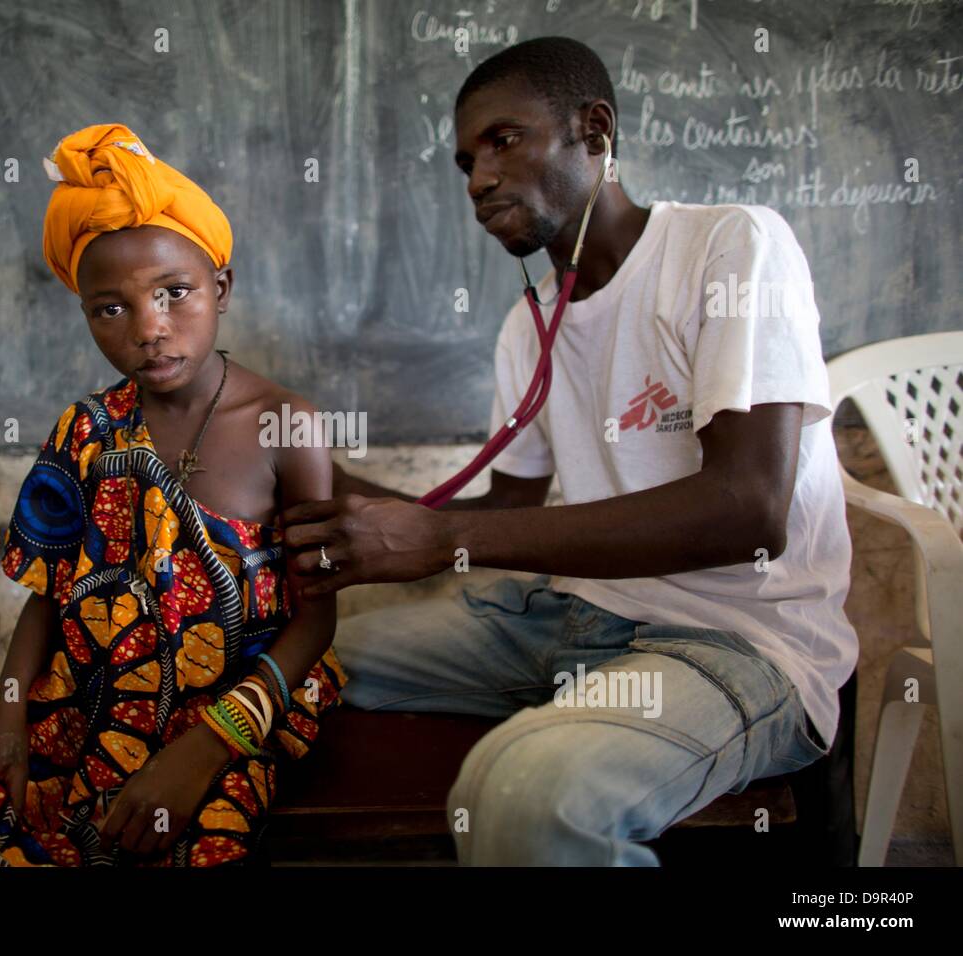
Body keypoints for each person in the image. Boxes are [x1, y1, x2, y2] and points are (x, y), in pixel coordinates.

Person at [281, 37, 858, 865]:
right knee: (282, 663)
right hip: (563, 617)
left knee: (520, 797)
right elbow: (508, 511)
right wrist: (329, 479)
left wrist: (442, 540)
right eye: (464, 161)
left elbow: (750, 510)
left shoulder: (732, 248)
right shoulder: (531, 323)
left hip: (735, 636)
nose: (478, 180)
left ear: (595, 130)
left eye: (503, 141)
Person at [0, 123, 345, 867]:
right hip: (92, 698)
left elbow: (316, 622)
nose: (150, 330)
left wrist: (205, 749)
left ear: (220, 287)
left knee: (185, 841)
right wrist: (2, 721)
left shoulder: (287, 425)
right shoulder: (87, 429)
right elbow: (51, 594)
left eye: (175, 294)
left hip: (238, 710)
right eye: (112, 309)